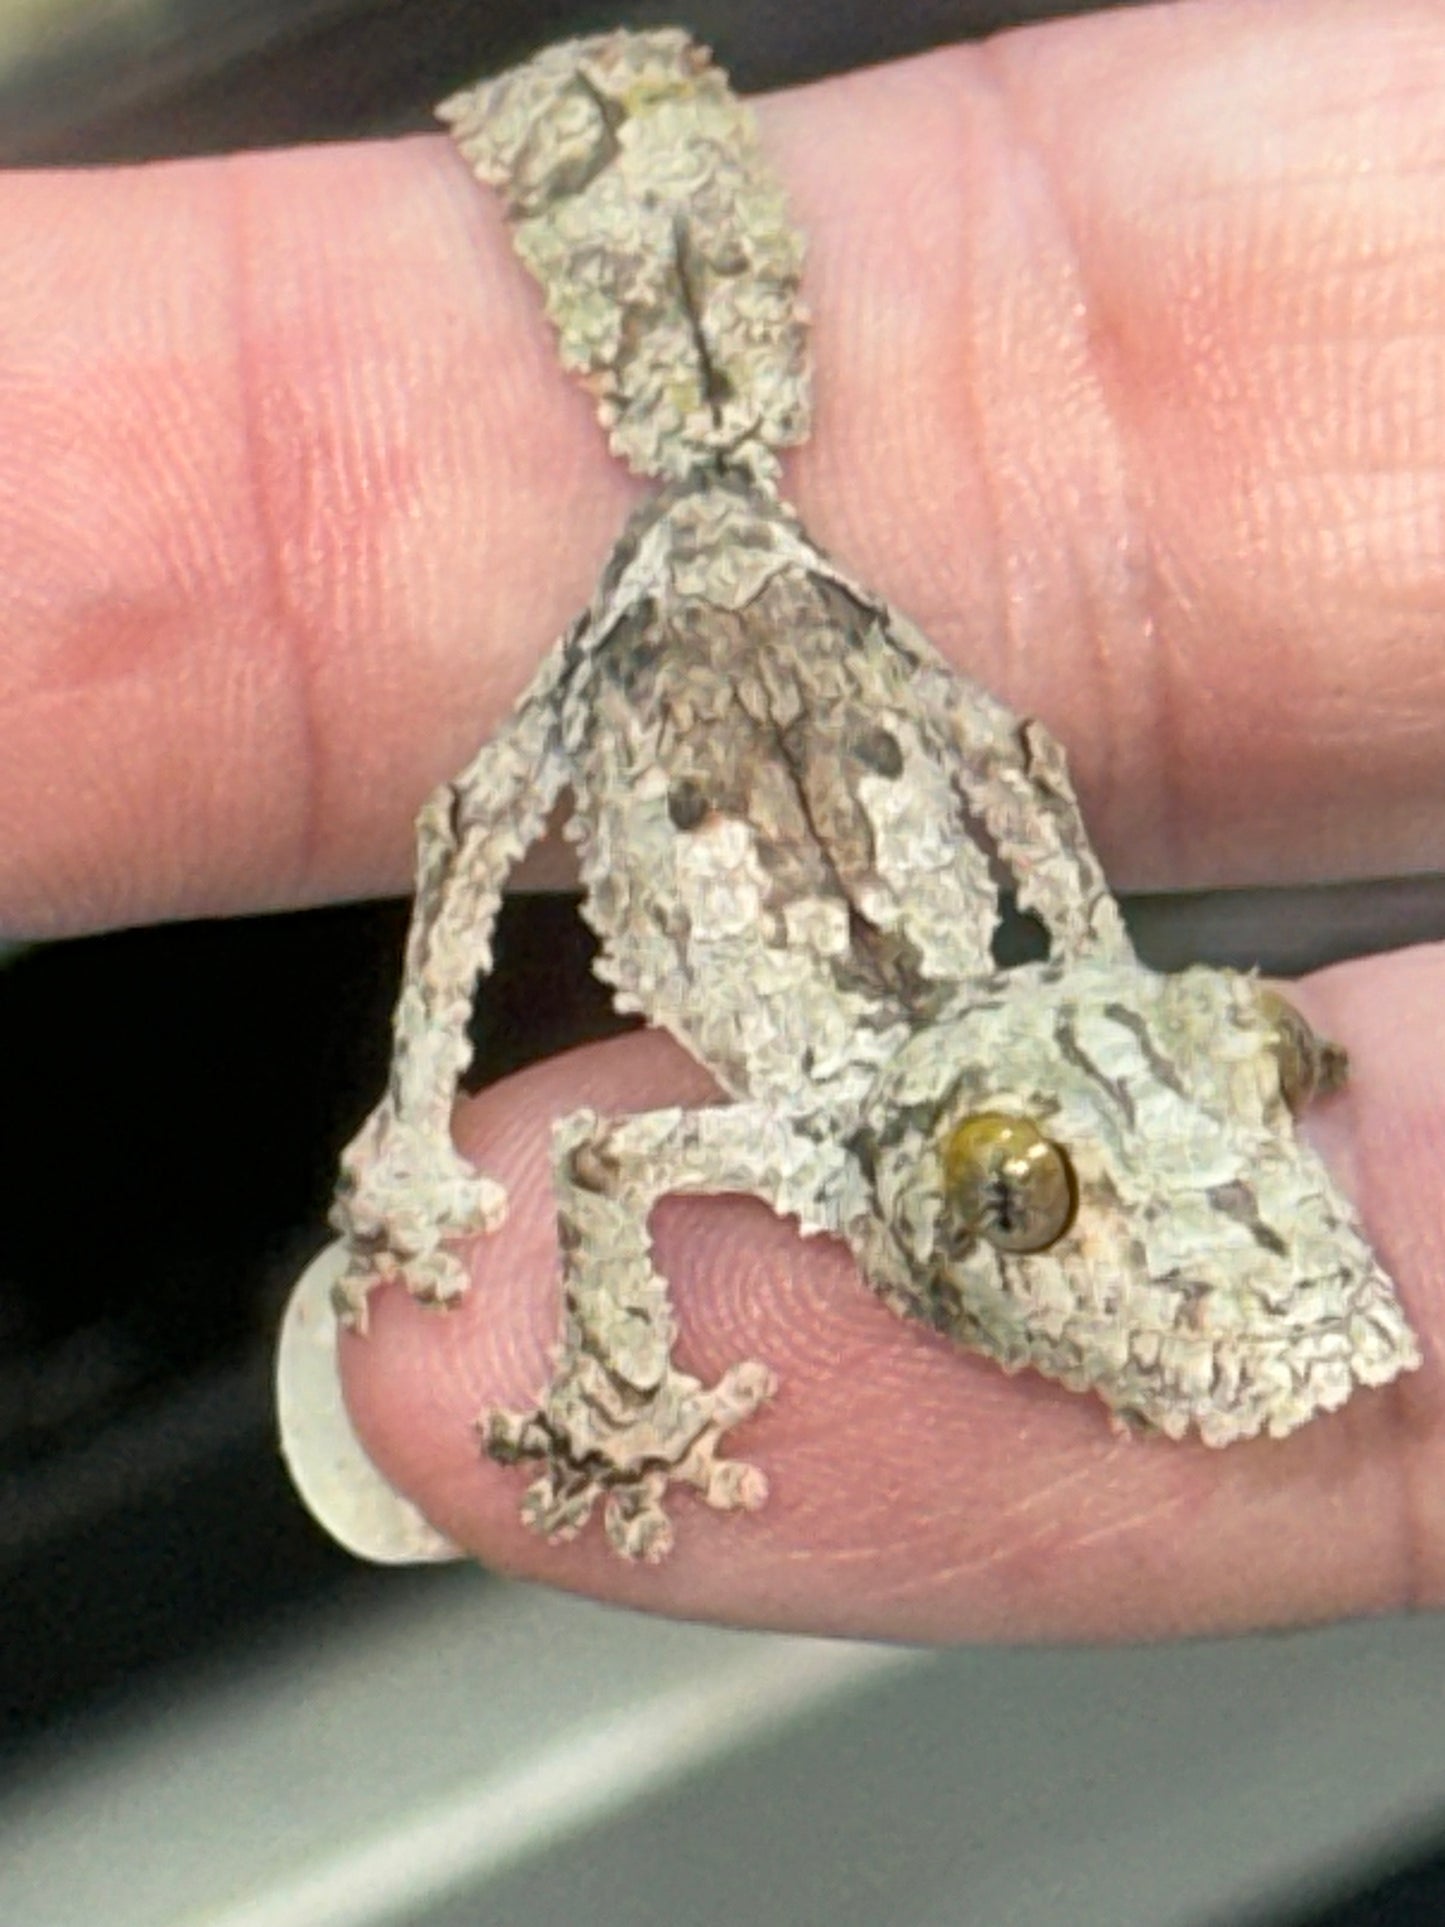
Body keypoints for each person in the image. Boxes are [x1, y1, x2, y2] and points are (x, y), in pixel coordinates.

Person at [5, 2, 1443, 1638]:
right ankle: (585, 106)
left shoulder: (969, 1053)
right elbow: (585, 1110)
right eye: (1015, 1199)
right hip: (721, 697)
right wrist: (435, 1161)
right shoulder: (808, 1134)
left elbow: (1021, 766)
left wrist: (1146, 1013)